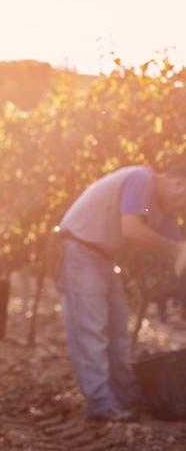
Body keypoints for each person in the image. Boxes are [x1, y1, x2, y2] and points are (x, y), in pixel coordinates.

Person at [57, 162, 186, 422]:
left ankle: (128, 399)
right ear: (179, 184)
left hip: (104, 258)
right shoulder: (141, 179)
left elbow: (179, 257)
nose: (182, 210)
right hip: (80, 251)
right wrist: (177, 251)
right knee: (91, 332)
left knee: (118, 334)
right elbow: (133, 230)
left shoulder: (163, 209)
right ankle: (102, 406)